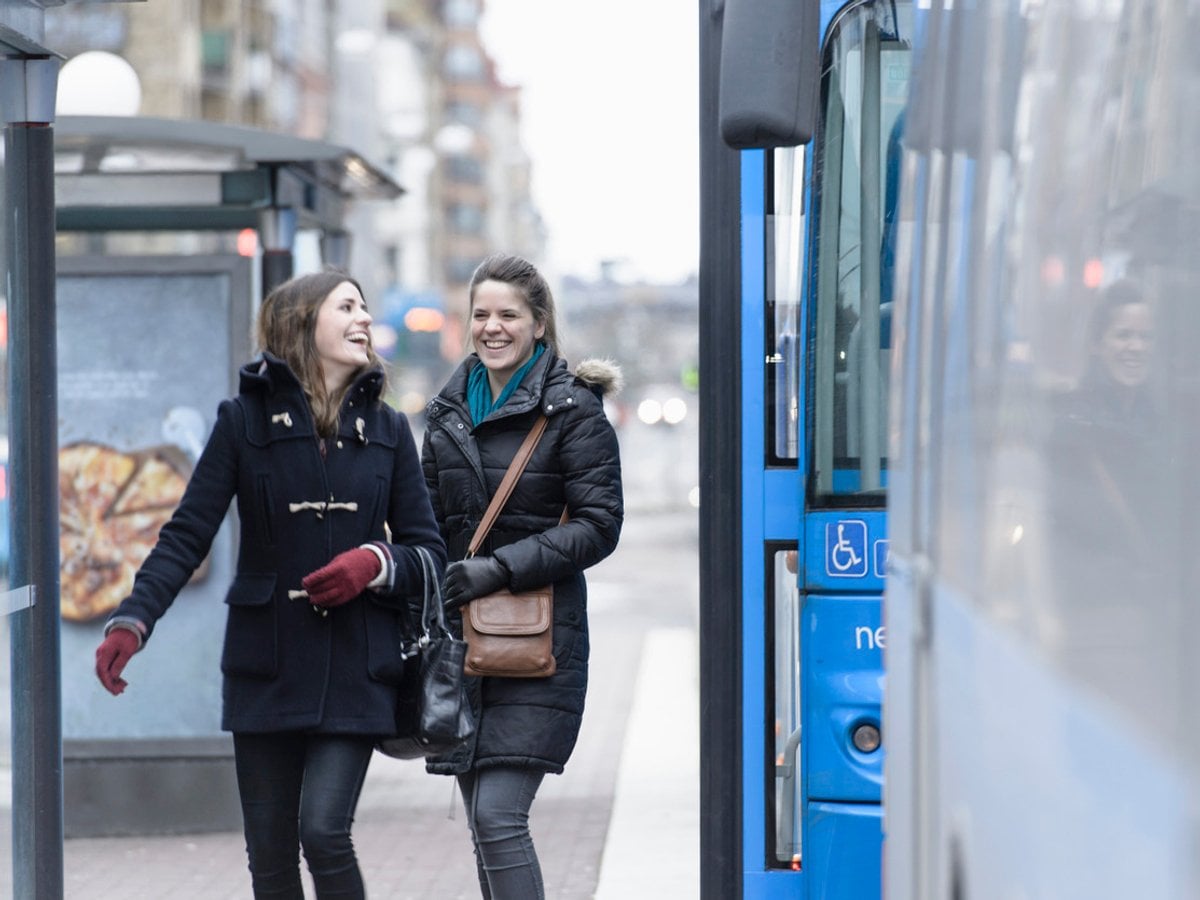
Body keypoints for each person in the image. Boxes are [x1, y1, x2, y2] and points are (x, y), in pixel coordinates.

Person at [93, 269, 446, 899]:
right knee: (271, 856)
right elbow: (187, 533)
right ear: (302, 323)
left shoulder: (389, 430)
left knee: (325, 831)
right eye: (348, 307)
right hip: (266, 663)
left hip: (358, 667)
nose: (364, 318)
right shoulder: (242, 421)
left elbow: (429, 552)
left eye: (364, 307)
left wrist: (374, 561)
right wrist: (133, 618)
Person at [421, 253, 623, 899]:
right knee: (484, 824)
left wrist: (498, 570)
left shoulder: (574, 412)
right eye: (481, 314)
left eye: (509, 314)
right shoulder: (446, 414)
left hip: (538, 643)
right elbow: (425, 523)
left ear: (539, 324)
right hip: (460, 648)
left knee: (497, 816)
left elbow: (599, 525)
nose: (493, 327)